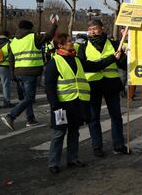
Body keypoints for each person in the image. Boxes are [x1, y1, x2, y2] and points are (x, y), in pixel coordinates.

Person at [45, 33, 120, 174]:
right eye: (68, 42)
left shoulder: (77, 60)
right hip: (62, 104)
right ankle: (53, 163)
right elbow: (49, 85)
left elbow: (96, 66)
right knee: (58, 135)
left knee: (74, 132)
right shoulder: (54, 62)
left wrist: (112, 58)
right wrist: (54, 103)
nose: (72, 43)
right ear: (60, 45)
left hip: (77, 103)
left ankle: (72, 159)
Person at [77, 19, 129, 156]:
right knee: (94, 118)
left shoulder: (114, 44)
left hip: (111, 84)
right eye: (90, 29)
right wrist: (112, 58)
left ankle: (119, 144)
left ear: (102, 28)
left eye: (95, 28)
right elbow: (86, 66)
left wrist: (124, 57)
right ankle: (97, 146)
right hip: (93, 85)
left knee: (116, 116)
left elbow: (122, 65)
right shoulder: (83, 47)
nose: (92, 31)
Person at [1, 19, 57, 130]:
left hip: (18, 72)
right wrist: (54, 24)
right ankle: (11, 116)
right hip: (30, 72)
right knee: (30, 98)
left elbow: (11, 60)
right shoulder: (33, 37)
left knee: (26, 98)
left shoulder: (13, 41)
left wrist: (12, 74)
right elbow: (49, 36)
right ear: (30, 28)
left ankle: (30, 119)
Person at [0, 30, 14, 108]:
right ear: (7, 35)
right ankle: (6, 102)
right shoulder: (9, 43)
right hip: (4, 66)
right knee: (5, 85)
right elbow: (11, 56)